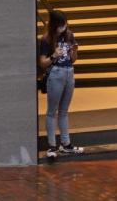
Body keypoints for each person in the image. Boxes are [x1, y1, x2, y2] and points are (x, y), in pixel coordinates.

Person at [38, 9, 84, 158]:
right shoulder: (46, 39)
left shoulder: (69, 36)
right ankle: (52, 146)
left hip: (69, 72)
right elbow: (42, 63)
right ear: (54, 25)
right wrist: (54, 55)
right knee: (52, 111)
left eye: (64, 24)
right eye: (60, 25)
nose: (63, 27)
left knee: (64, 111)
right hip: (55, 74)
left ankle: (66, 144)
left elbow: (73, 60)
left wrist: (75, 51)